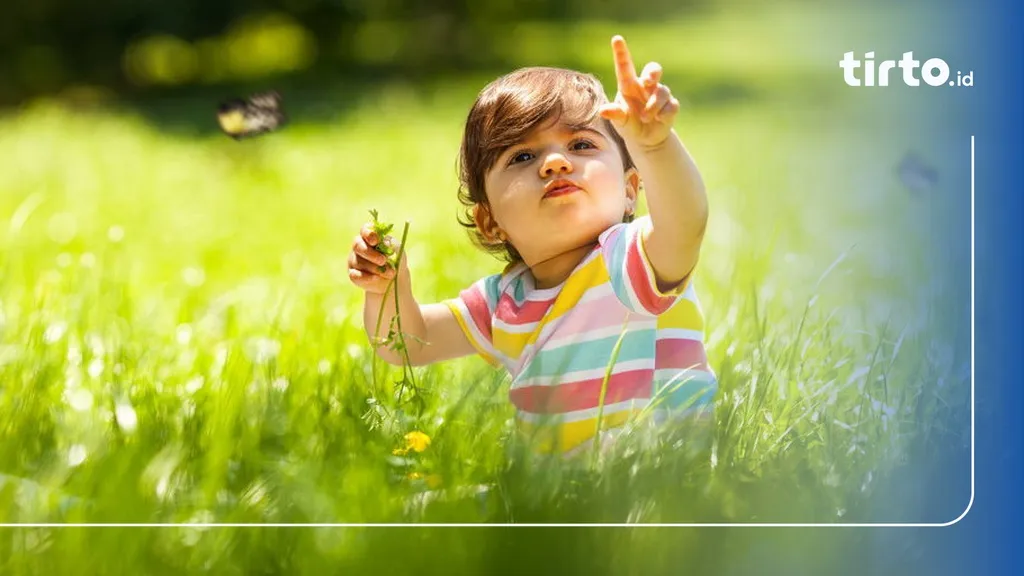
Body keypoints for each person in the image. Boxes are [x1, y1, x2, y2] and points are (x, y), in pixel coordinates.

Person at [347, 36, 716, 456]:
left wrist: (654, 147)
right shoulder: (504, 301)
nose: (555, 163)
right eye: (522, 157)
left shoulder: (631, 260)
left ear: (630, 191)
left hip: (655, 478)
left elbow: (686, 224)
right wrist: (388, 289)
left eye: (581, 145)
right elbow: (412, 343)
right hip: (553, 491)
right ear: (491, 222)